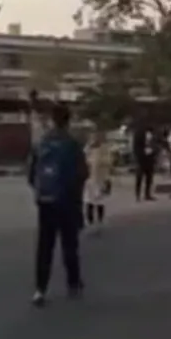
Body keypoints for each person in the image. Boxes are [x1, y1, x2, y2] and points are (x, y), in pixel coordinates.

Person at [27, 104, 89, 307]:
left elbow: (31, 175)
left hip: (45, 201)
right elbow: (82, 174)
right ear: (68, 120)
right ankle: (73, 284)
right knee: (69, 244)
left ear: (52, 119)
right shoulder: (72, 144)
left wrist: (42, 192)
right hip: (67, 201)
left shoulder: (41, 143)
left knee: (45, 246)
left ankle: (40, 290)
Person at [83, 129, 114, 234]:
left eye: (96, 137)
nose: (94, 140)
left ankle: (100, 221)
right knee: (89, 201)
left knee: (100, 201)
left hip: (101, 178)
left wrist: (99, 161)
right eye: (93, 138)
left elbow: (109, 161)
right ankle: (90, 222)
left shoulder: (104, 149)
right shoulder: (87, 149)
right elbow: (83, 160)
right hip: (89, 179)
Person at [132, 120, 157, 201]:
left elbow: (155, 144)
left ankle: (147, 194)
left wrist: (154, 152)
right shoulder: (139, 133)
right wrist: (138, 156)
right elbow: (136, 146)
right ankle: (137, 194)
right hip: (141, 157)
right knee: (139, 176)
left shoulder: (152, 134)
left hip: (150, 157)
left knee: (149, 176)